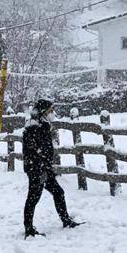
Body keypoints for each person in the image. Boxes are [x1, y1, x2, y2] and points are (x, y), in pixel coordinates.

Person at [22, 98, 80, 238]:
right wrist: (41, 164)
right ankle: (28, 228)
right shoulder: (33, 127)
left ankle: (66, 220)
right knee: (33, 197)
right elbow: (34, 150)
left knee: (58, 192)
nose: (53, 113)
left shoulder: (42, 125)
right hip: (37, 168)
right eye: (50, 111)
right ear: (43, 112)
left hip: (44, 167)